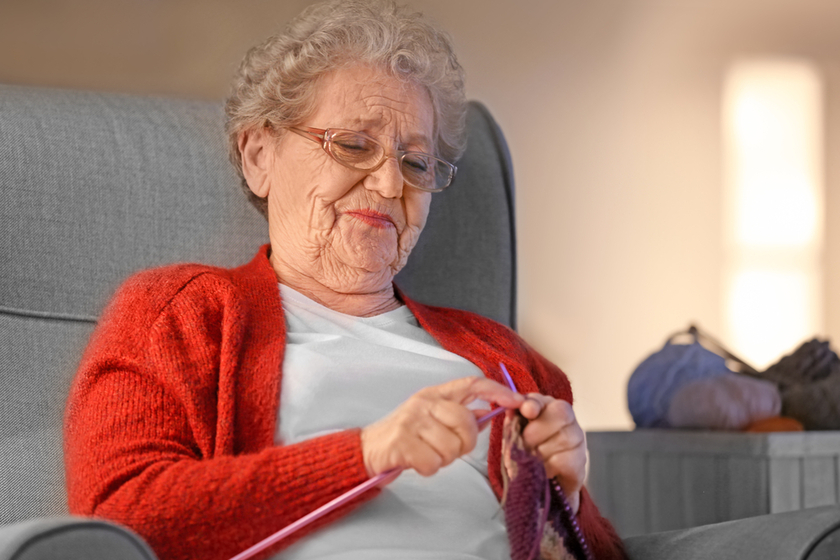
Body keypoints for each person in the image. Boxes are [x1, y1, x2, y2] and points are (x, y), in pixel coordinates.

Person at [64, 1, 626, 559]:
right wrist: (368, 453)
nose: (388, 185)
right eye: (354, 145)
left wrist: (564, 498)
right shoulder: (180, 312)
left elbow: (600, 554)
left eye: (416, 163)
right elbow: (120, 523)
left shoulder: (507, 358)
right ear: (260, 155)